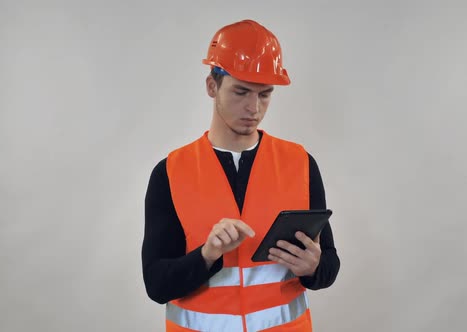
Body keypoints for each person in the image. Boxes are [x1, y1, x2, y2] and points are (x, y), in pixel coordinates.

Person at [142, 19, 340, 332]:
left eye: (264, 95)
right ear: (212, 86)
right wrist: (207, 255)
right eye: (241, 92)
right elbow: (156, 284)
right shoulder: (170, 172)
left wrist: (314, 267)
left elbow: (329, 264)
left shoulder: (300, 163)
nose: (253, 108)